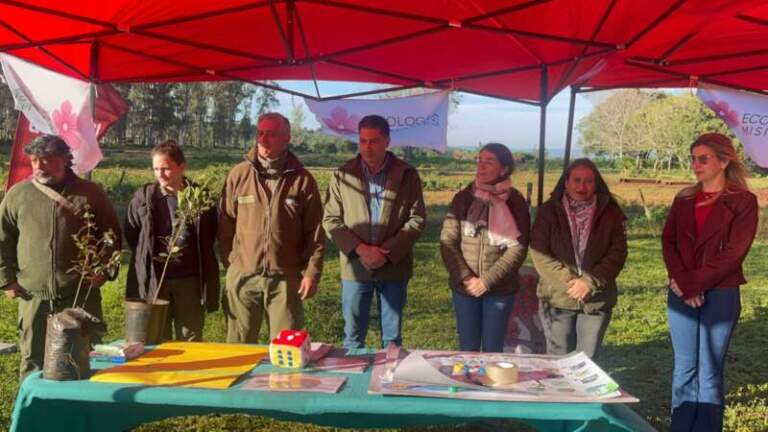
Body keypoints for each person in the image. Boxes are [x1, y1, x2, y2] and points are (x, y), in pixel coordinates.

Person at [0, 134, 121, 380]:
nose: (39, 166)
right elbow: (3, 238)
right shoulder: (18, 194)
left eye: (47, 160)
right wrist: (6, 279)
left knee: (83, 360)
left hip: (79, 295)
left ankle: (83, 414)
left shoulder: (91, 194)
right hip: (33, 296)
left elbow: (111, 236)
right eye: (35, 160)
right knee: (33, 361)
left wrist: (103, 270)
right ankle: (36, 415)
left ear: (66, 159)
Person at [662, 133, 757, 432]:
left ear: (724, 160)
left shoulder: (744, 202)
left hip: (721, 293)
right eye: (693, 158)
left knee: (710, 372)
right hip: (681, 292)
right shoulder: (684, 198)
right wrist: (682, 282)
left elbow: (733, 254)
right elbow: (669, 241)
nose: (695, 165)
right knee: (684, 370)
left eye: (703, 159)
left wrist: (692, 284)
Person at [219, 112, 324, 343]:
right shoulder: (239, 175)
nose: (264, 140)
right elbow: (225, 222)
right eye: (260, 133)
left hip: (285, 279)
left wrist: (311, 273)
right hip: (243, 277)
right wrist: (232, 261)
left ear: (287, 137)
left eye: (272, 134)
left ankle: (284, 381)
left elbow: (315, 233)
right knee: (240, 348)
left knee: (287, 347)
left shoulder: (302, 180)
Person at [323, 114, 426, 349]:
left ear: (387, 141)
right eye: (363, 141)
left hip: (393, 267)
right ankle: (354, 383)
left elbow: (417, 218)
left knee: (391, 339)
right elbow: (331, 219)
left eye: (374, 141)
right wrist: (360, 249)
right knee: (352, 337)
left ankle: (387, 382)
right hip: (355, 267)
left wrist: (386, 252)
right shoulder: (343, 174)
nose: (367, 148)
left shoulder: (407, 174)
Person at [530, 158, 627, 359]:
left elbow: (617, 253)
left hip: (596, 299)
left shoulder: (611, 212)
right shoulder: (548, 212)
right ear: (566, 182)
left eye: (588, 181)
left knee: (587, 361)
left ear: (596, 183)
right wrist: (572, 283)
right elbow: (539, 253)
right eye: (577, 180)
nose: (582, 186)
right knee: (558, 359)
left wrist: (589, 282)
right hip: (558, 297)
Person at [124, 140, 219, 341]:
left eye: (166, 168)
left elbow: (209, 235)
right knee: (156, 335)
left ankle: (190, 372)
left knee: (190, 336)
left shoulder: (200, 197)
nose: (160, 174)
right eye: (156, 169)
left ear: (182, 166)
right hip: (155, 279)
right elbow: (132, 233)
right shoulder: (144, 197)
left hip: (189, 280)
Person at [440, 143, 530, 352]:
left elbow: (518, 248)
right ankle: (469, 385)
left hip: (500, 289)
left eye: (489, 162)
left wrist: (487, 281)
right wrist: (466, 278)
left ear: (504, 169)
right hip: (465, 288)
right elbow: (448, 241)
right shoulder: (463, 198)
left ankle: (490, 385)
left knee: (493, 350)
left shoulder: (515, 202)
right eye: (479, 160)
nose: (481, 166)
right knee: (468, 349)